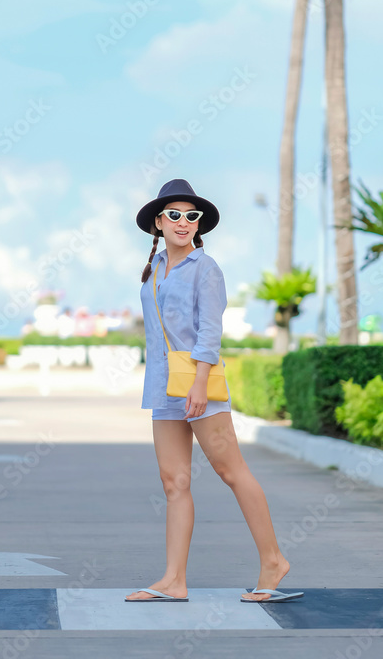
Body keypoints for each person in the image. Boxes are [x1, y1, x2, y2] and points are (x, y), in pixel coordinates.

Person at [125, 179, 302, 605]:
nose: (183, 222)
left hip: (200, 384)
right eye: (174, 215)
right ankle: (173, 580)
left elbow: (209, 330)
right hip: (164, 388)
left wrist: (201, 382)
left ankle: (274, 560)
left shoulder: (206, 268)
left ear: (198, 224)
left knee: (230, 471)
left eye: (192, 216)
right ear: (158, 222)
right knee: (174, 481)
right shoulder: (153, 270)